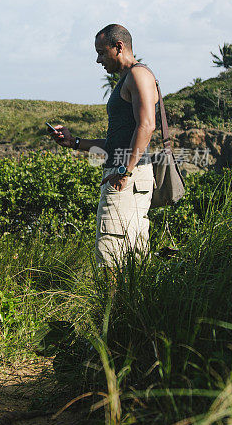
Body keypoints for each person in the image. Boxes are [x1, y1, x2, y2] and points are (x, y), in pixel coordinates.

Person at [50, 24, 159, 269]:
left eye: (101, 52)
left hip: (127, 177)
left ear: (118, 47)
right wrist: (74, 142)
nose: (98, 60)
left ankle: (110, 307)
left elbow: (147, 125)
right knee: (132, 259)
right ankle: (132, 307)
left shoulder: (138, 75)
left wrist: (124, 171)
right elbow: (115, 143)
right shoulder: (127, 79)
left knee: (110, 259)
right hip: (127, 172)